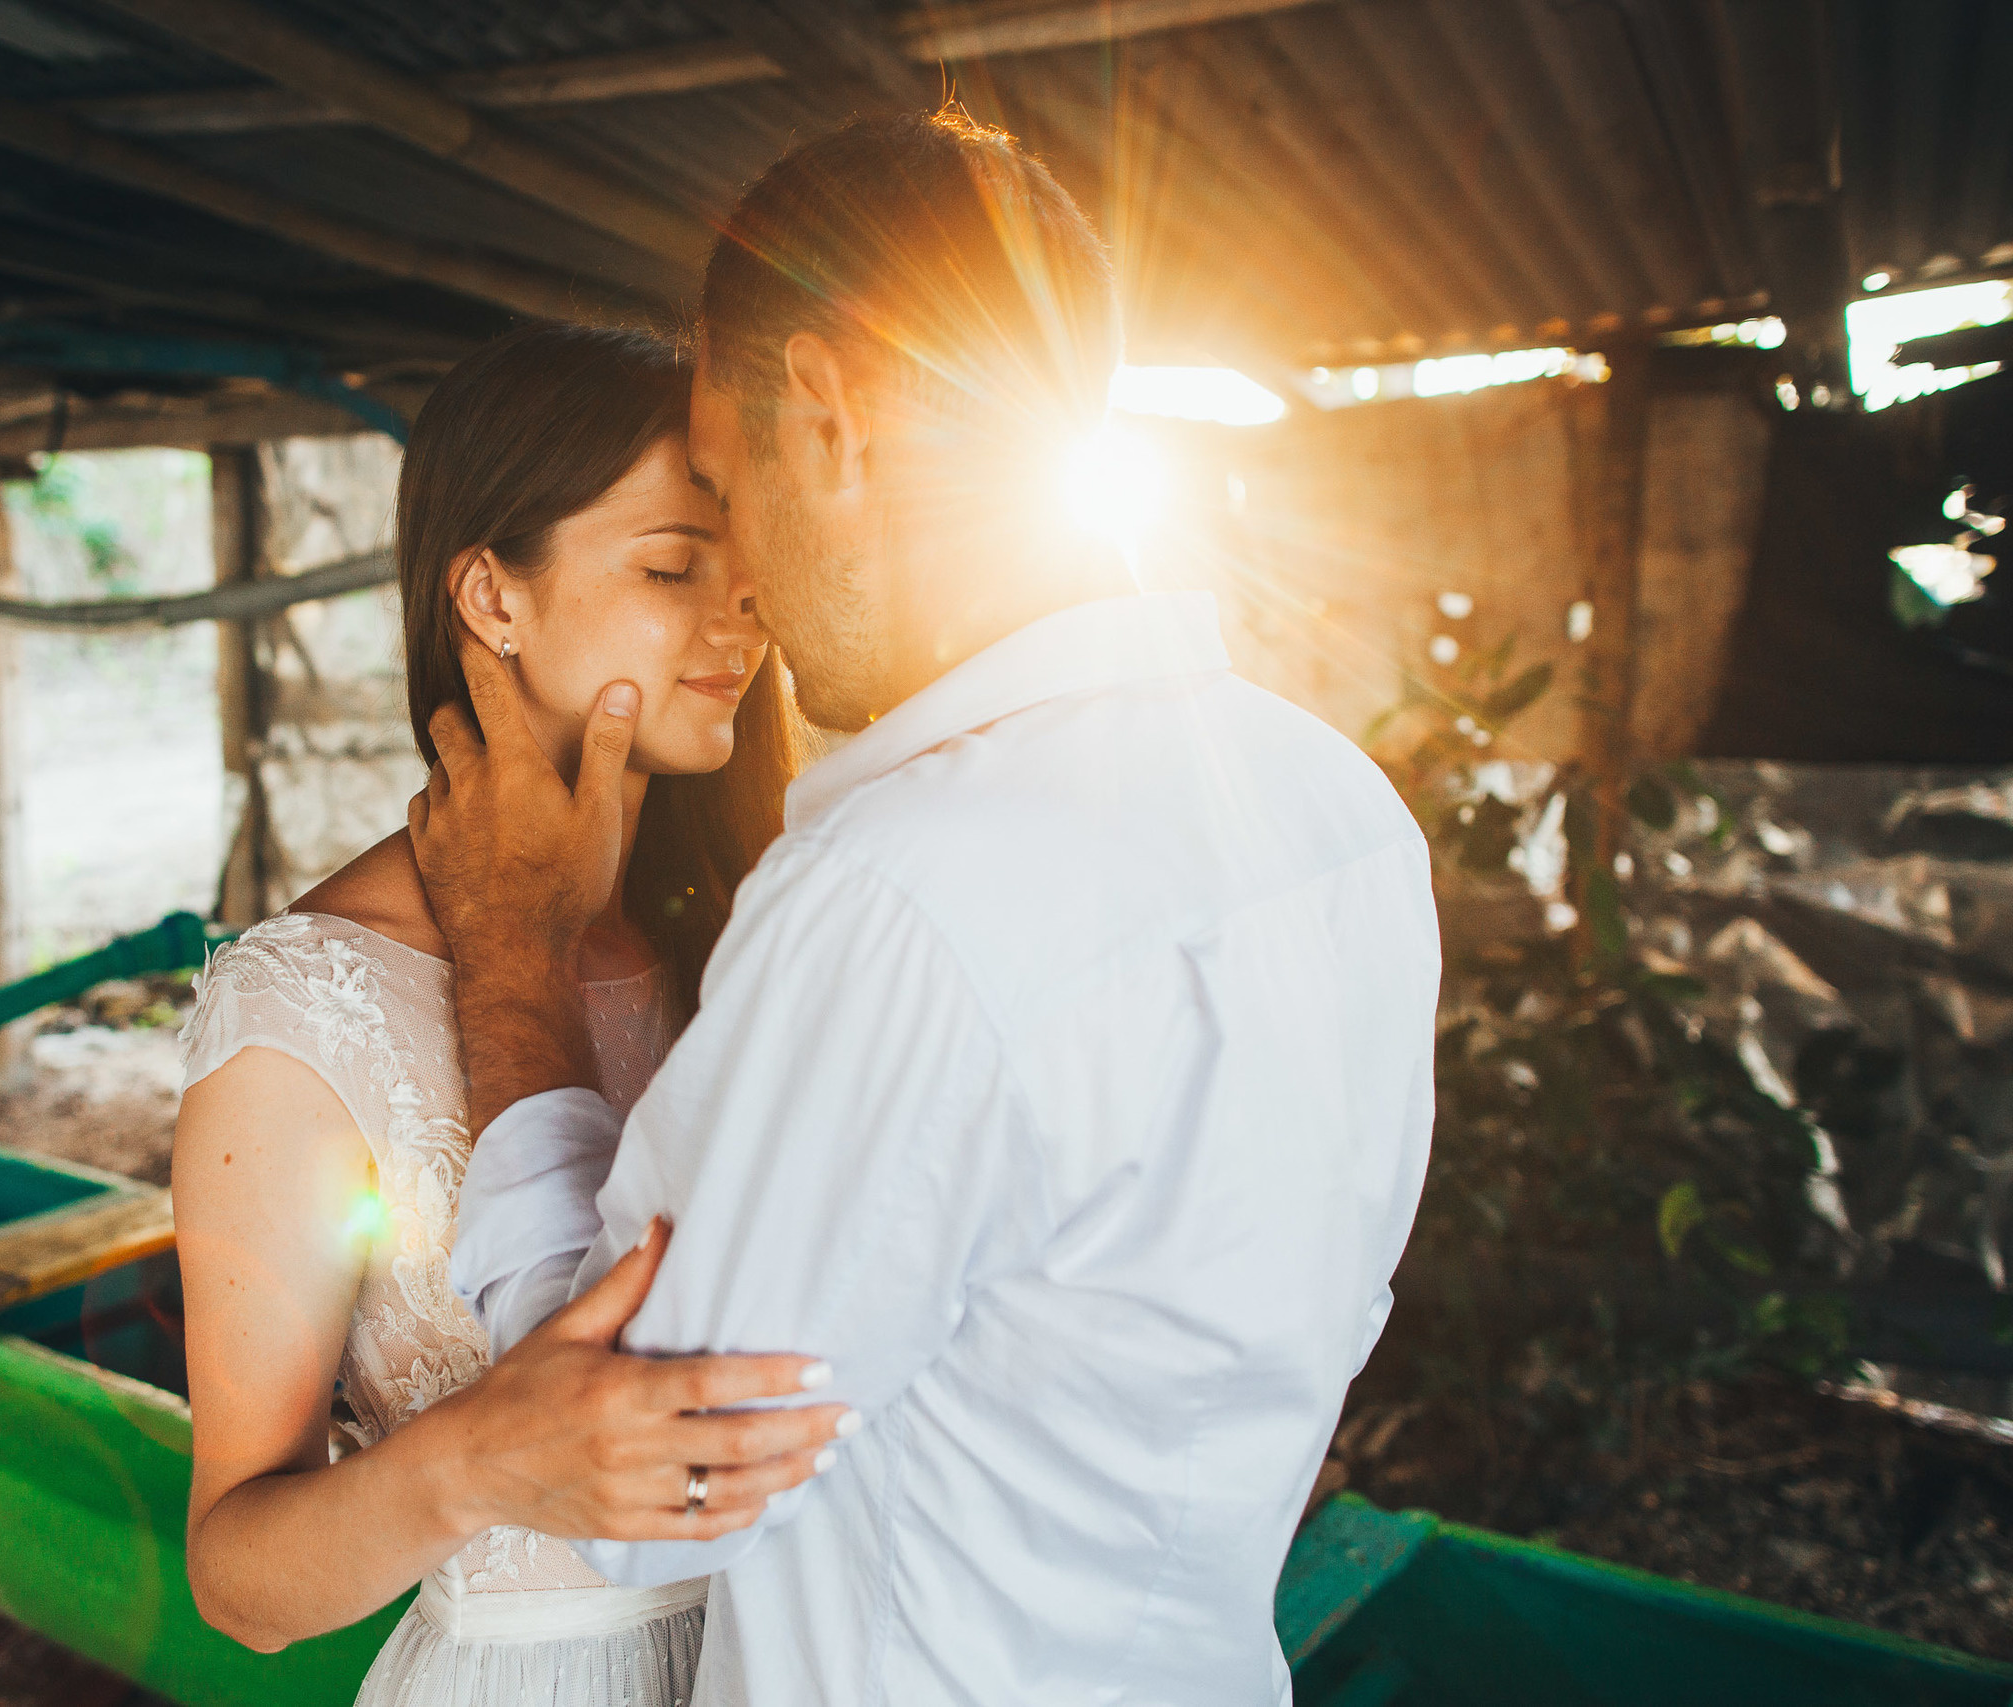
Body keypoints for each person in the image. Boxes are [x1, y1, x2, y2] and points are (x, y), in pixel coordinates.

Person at [418, 110, 1442, 1706]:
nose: (740, 581)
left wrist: (509, 957)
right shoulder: (1337, 812)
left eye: (726, 482)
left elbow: (637, 1484)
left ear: (829, 417)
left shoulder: (905, 897)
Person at [170, 323, 850, 1705]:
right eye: (672, 567)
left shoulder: (765, 924)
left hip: (814, 1654)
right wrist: (478, 1458)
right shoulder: (310, 997)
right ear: (492, 594)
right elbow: (238, 1577)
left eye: (746, 566)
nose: (741, 617)